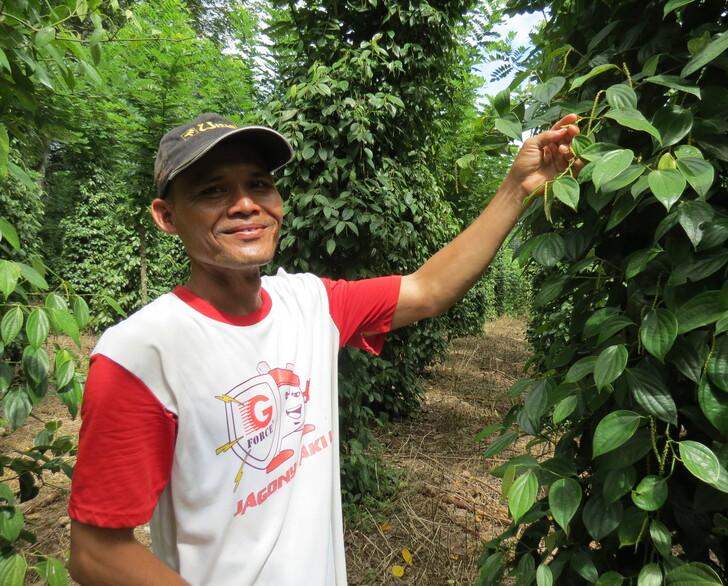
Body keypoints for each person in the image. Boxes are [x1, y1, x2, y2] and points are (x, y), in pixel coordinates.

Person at [67, 111, 580, 585]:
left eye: (259, 185)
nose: (245, 204)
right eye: (211, 190)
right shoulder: (142, 353)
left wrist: (518, 187)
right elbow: (96, 553)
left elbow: (427, 290)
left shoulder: (311, 303)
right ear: (166, 216)